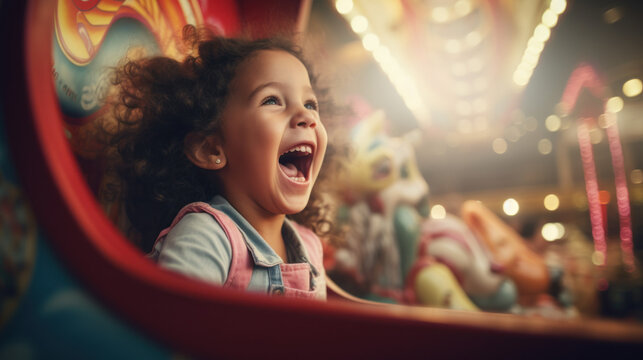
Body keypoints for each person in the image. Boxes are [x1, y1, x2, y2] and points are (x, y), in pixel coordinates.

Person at [103, 27, 340, 299]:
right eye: (272, 100)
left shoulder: (309, 247)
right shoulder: (206, 237)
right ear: (210, 148)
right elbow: (173, 324)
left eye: (310, 104)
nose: (306, 116)